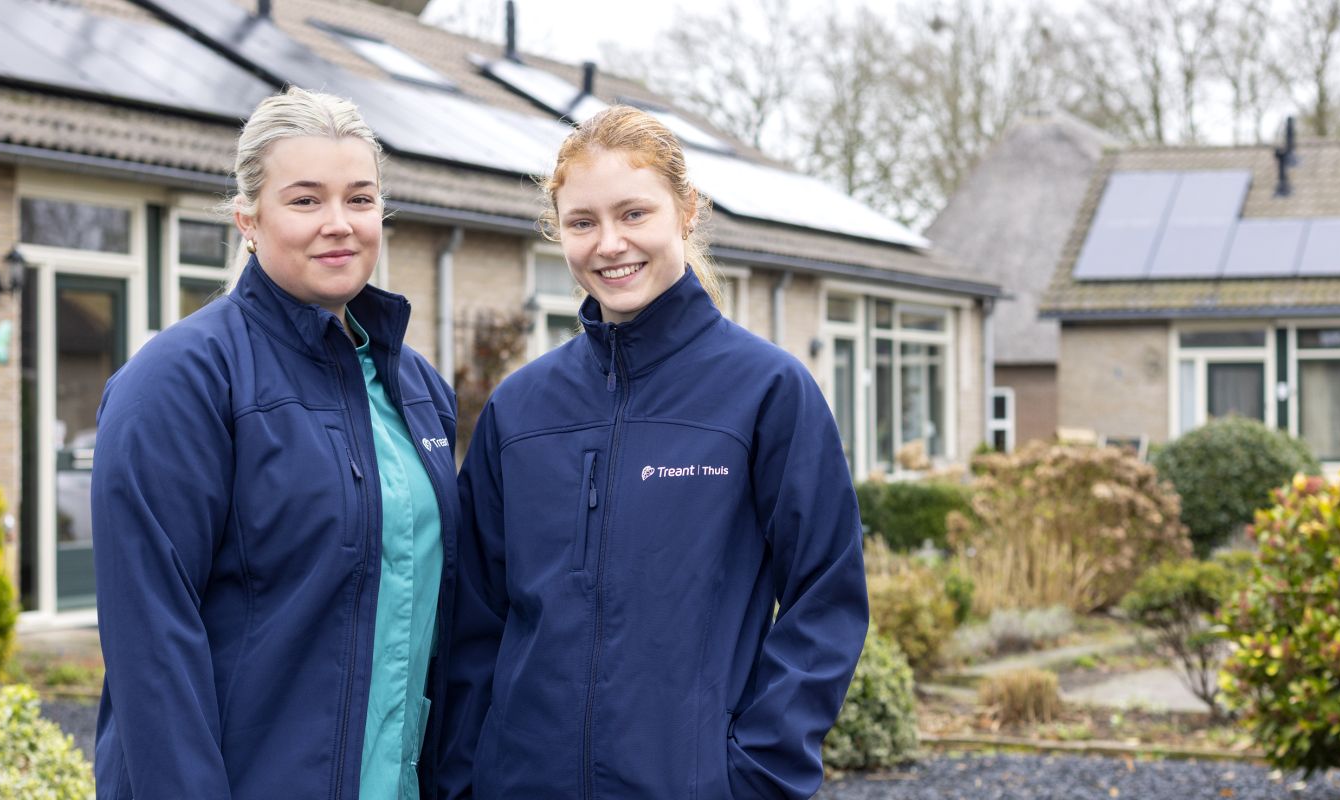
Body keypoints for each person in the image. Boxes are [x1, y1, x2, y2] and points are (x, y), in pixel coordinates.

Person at [436, 106, 868, 800]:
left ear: (687, 212)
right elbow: (473, 623)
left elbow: (827, 599)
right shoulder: (519, 410)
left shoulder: (766, 392)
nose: (610, 244)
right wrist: (464, 777)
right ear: (560, 231)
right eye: (583, 222)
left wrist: (756, 776)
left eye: (633, 214)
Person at [91, 87, 459, 800]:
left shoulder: (418, 390)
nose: (339, 225)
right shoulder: (180, 383)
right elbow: (153, 652)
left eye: (359, 199)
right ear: (248, 221)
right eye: (305, 200)